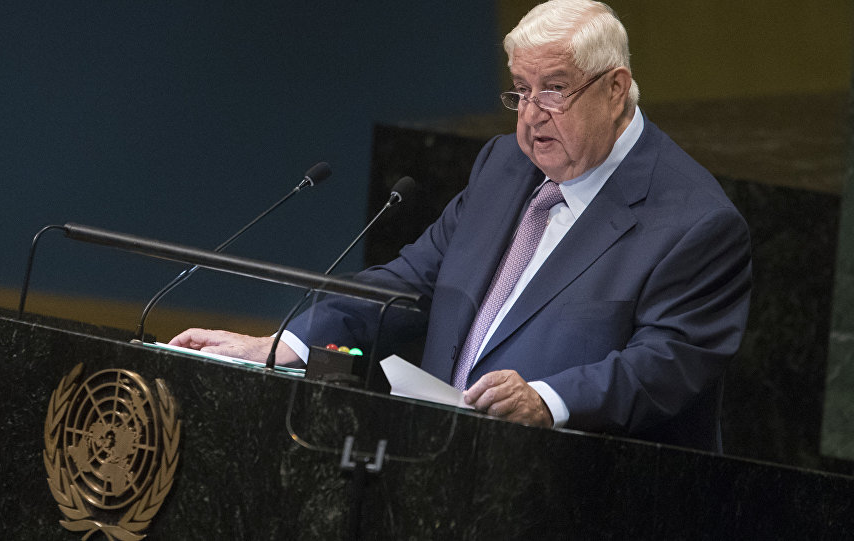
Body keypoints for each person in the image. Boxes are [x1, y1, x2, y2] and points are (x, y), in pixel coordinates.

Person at [170, 0, 751, 452]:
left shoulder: (695, 222)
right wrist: (284, 346)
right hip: (443, 467)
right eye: (520, 91)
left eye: (553, 89)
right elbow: (410, 282)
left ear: (615, 89)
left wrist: (547, 401)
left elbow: (666, 365)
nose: (531, 116)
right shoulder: (504, 165)